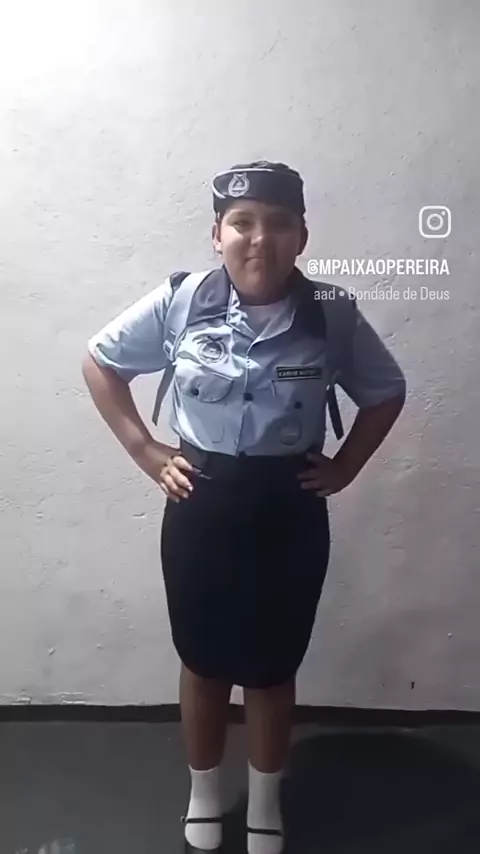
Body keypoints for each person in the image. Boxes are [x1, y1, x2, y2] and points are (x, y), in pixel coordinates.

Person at [82, 160, 406, 854]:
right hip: (201, 506)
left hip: (288, 511)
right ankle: (203, 796)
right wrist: (145, 450)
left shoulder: (332, 314)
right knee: (202, 663)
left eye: (279, 223)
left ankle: (264, 804)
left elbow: (385, 392)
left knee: (271, 667)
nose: (261, 239)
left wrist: (346, 466)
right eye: (243, 223)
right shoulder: (181, 301)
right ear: (217, 233)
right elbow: (101, 362)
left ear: (302, 236)